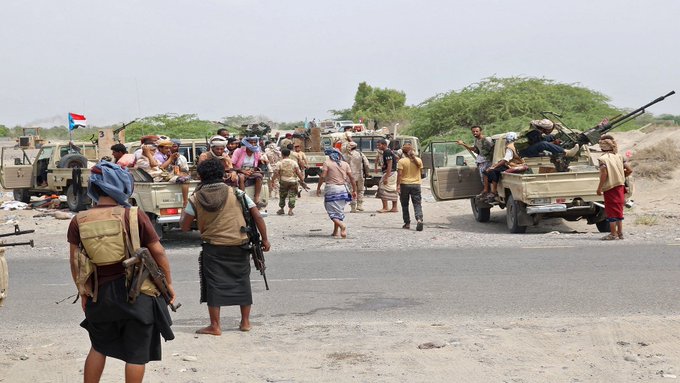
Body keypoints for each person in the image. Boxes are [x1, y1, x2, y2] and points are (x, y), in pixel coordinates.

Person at [68, 161, 175, 383]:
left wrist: (84, 292)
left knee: (98, 347)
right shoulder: (133, 215)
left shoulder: (79, 220)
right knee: (136, 355)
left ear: (94, 188)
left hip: (101, 295)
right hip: (138, 293)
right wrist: (169, 284)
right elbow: (159, 252)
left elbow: (75, 262)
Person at [179, 158, 270, 335]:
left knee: (214, 285)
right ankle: (245, 322)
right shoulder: (237, 193)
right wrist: (265, 239)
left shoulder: (196, 198)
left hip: (213, 248)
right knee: (242, 282)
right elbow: (257, 217)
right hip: (239, 244)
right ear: (222, 174)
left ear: (201, 176)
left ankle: (215, 326)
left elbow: (184, 227)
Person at [596, 134, 633, 240]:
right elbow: (629, 170)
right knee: (618, 210)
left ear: (603, 147)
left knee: (611, 212)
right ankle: (620, 233)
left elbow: (604, 174)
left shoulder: (602, 159)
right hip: (620, 187)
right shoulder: (620, 156)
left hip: (610, 188)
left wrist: (599, 188)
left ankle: (613, 234)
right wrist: (621, 176)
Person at [316, 148, 356, 238]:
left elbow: (323, 176)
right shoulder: (345, 164)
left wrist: (318, 187)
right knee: (338, 211)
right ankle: (335, 232)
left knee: (331, 211)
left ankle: (342, 226)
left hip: (332, 189)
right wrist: (354, 190)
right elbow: (352, 178)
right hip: (343, 189)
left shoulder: (327, 163)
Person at [484, 132, 526, 202]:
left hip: (511, 165)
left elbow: (505, 160)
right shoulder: (519, 145)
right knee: (496, 168)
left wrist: (493, 167)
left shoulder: (510, 147)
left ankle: (493, 191)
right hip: (520, 164)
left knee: (491, 171)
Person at [457, 125, 494, 197]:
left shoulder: (486, 139)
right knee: (483, 178)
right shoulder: (477, 140)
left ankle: (488, 191)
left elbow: (493, 149)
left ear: (480, 131)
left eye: (477, 131)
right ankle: (487, 191)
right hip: (481, 161)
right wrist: (463, 144)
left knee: (486, 176)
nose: (475, 133)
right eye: (473, 131)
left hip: (487, 161)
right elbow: (474, 149)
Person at [231, 137, 266, 207]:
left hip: (252, 171)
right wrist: (243, 171)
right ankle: (243, 198)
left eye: (254, 142)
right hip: (239, 171)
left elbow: (260, 160)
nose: (253, 144)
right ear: (246, 143)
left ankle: (256, 199)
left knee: (259, 176)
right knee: (241, 177)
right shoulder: (238, 151)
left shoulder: (257, 152)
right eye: (251, 142)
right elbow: (232, 164)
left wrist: (264, 160)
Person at [397, 143, 424, 231]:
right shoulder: (419, 160)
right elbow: (421, 172)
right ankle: (419, 219)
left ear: (403, 152)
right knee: (417, 204)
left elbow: (400, 175)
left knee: (405, 205)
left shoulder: (401, 161)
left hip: (404, 185)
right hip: (416, 185)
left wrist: (398, 186)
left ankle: (407, 223)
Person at [271, 148, 305, 216]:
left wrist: (272, 180)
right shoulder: (294, 162)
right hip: (293, 181)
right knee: (292, 195)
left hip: (283, 181)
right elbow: (298, 172)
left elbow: (276, 173)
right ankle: (290, 210)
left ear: (282, 154)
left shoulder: (280, 163)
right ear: (289, 154)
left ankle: (282, 209)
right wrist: (302, 180)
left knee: (282, 196)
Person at [343, 141, 370, 212]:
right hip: (360, 175)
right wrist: (367, 172)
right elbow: (367, 164)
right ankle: (359, 205)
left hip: (350, 176)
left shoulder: (345, 155)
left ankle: (353, 207)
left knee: (352, 191)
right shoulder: (360, 154)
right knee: (360, 190)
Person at [375, 138, 399, 213]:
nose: (378, 147)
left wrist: (386, 177)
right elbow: (397, 158)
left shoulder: (387, 152)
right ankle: (394, 207)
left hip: (390, 173)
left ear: (384, 145)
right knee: (392, 189)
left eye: (379, 145)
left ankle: (385, 207)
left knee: (382, 188)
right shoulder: (388, 152)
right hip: (392, 172)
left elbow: (389, 164)